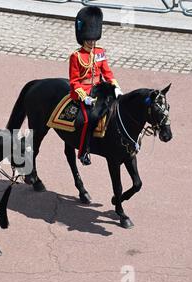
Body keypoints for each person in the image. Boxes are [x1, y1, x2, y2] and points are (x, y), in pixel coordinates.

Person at [69, 6, 123, 165]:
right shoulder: (76, 56)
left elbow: (107, 72)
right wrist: (84, 97)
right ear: (83, 38)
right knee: (88, 119)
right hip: (84, 92)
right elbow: (74, 81)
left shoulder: (99, 52)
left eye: (94, 39)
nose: (92, 42)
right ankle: (83, 151)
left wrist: (116, 86)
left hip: (100, 89)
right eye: (89, 40)